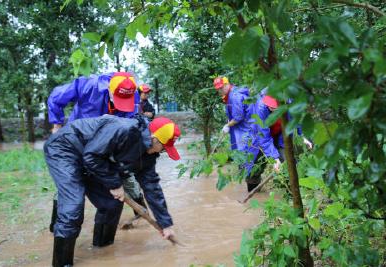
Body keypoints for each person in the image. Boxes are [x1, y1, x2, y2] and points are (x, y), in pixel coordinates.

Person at [44, 115, 180, 266]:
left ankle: (102, 250)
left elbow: (152, 186)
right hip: (66, 149)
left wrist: (165, 223)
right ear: (154, 139)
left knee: (112, 205)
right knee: (73, 207)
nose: (161, 152)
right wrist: (115, 184)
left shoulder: (149, 155)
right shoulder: (124, 130)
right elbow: (92, 156)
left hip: (94, 160)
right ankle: (62, 264)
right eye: (163, 148)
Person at [47, 72, 146, 235]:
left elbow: (130, 123)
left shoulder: (132, 94)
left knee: (125, 178)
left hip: (106, 146)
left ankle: (138, 214)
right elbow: (56, 97)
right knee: (69, 184)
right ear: (110, 91)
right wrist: (57, 126)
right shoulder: (88, 86)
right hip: (77, 142)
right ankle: (56, 226)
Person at [213, 76, 281, 192]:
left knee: (250, 162)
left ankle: (254, 188)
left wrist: (228, 126)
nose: (220, 91)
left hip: (251, 132)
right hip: (251, 130)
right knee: (251, 162)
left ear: (227, 84)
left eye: (222, 87)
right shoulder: (235, 92)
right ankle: (255, 188)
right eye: (218, 89)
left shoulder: (235, 96)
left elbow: (238, 116)